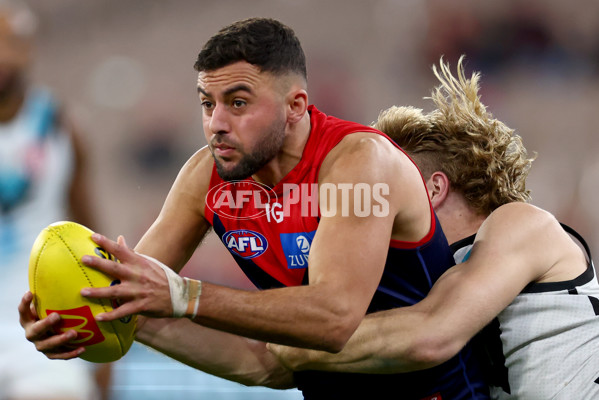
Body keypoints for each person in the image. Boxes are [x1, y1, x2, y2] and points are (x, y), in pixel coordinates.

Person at [19, 18, 490, 399]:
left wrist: (184, 296)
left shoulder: (358, 163)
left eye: (238, 103)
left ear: (295, 106)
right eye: (208, 104)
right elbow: (138, 298)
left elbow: (333, 318)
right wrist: (74, 319)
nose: (216, 124)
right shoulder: (205, 179)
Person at [268, 57, 599, 399]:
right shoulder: (428, 279)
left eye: (380, 184)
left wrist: (305, 341)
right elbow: (265, 364)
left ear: (432, 189)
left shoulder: (521, 224)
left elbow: (430, 334)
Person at [0, 1, 111, 399]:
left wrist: (106, 349)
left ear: (28, 48)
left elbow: (90, 231)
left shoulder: (61, 127)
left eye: (9, 41)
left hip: (42, 321)